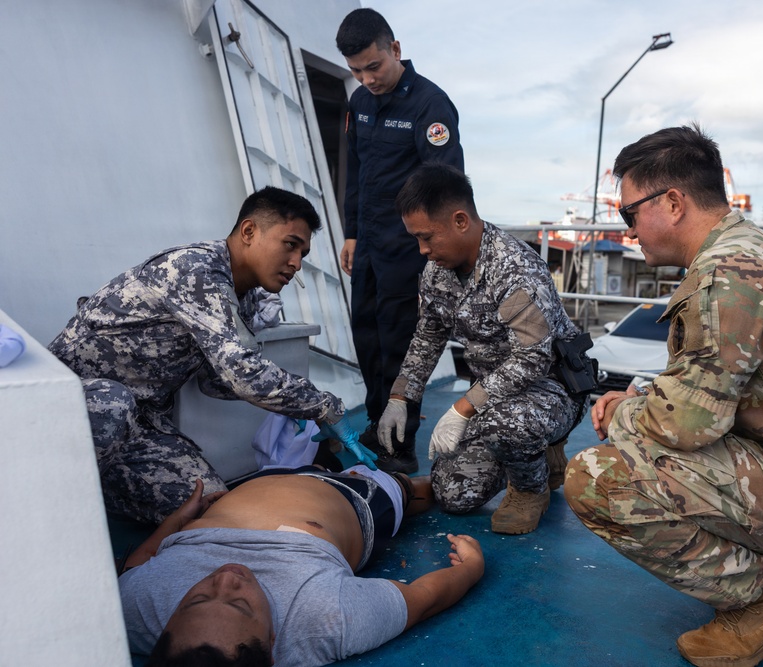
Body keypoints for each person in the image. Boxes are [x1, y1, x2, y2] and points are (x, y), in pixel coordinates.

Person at [563, 125, 763, 666]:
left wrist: (625, 410)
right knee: (644, 432)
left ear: (672, 203)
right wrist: (644, 402)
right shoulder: (741, 250)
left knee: (597, 478)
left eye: (628, 214)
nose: (628, 231)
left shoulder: (729, 271)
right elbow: (714, 390)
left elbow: (685, 426)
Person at [48, 186, 375, 524]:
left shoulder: (243, 296)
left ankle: (97, 484)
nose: (296, 263)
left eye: (303, 254)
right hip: (76, 404)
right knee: (114, 403)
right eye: (290, 245)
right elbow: (241, 372)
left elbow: (216, 380)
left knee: (208, 501)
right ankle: (49, 507)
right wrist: (323, 407)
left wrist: (289, 407)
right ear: (249, 231)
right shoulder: (197, 270)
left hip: (140, 422)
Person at [379, 164, 590, 535]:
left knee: (510, 424)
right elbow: (428, 337)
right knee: (454, 493)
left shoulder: (514, 269)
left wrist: (463, 407)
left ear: (461, 220)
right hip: (492, 397)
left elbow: (533, 358)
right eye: (416, 239)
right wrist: (401, 397)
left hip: (552, 389)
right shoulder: (436, 272)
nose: (423, 250)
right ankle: (538, 457)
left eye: (427, 237)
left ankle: (530, 489)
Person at [118, 467, 484, 666]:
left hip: (249, 480)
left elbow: (137, 566)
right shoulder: (324, 620)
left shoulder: (137, 614)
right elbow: (423, 599)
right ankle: (412, 484)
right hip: (348, 494)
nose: (225, 578)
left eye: (195, 599)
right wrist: (471, 569)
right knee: (413, 488)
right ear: (273, 642)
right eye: (239, 603)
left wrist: (178, 519)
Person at [336, 8, 464, 474]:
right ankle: (377, 424)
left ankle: (400, 444)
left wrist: (436, 256)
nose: (366, 78)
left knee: (399, 342)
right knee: (366, 336)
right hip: (368, 244)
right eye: (356, 71)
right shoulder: (359, 105)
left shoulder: (431, 106)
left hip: (409, 250)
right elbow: (356, 175)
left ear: (395, 50)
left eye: (374, 66)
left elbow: (447, 185)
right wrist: (351, 233)